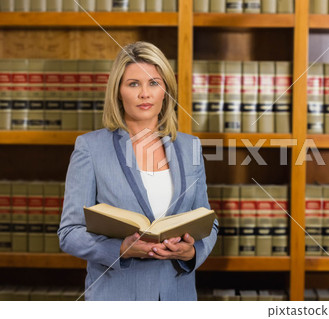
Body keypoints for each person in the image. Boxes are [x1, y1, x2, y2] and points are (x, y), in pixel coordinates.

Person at [58, 41, 218, 301]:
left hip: (177, 297)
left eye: (154, 83)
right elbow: (69, 233)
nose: (145, 93)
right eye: (134, 84)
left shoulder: (190, 146)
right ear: (119, 91)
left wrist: (191, 252)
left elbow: (209, 221)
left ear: (165, 90)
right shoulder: (90, 147)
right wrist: (120, 248)